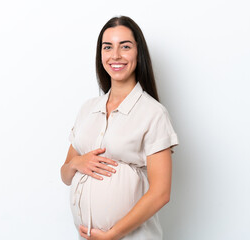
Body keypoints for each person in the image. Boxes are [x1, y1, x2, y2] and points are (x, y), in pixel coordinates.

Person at [60, 16, 179, 240]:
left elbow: (161, 193)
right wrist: (77, 162)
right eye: (108, 47)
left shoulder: (153, 113)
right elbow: (65, 175)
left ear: (138, 52)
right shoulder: (88, 109)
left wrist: (112, 234)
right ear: (100, 55)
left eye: (125, 46)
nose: (115, 55)